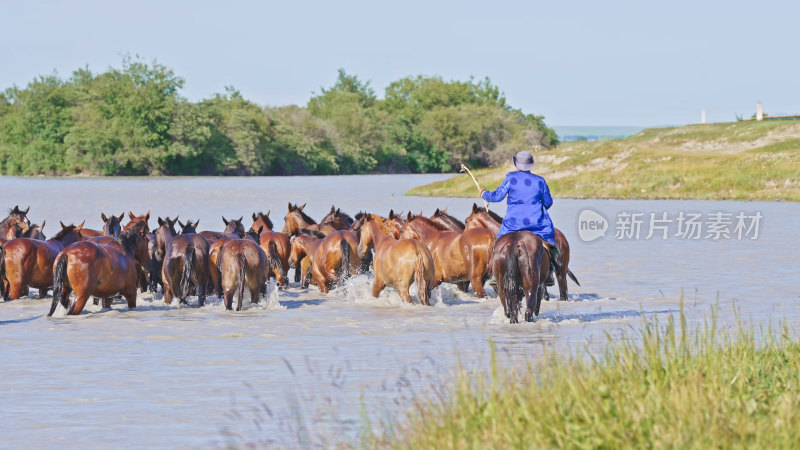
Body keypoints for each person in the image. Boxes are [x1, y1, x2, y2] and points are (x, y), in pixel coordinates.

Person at [479, 150, 560, 285]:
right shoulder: (540, 181)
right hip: (537, 224)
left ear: (516, 164)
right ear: (531, 165)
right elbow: (548, 202)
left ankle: (495, 273)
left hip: (513, 224)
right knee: (552, 244)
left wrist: (484, 194)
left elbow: (497, 197)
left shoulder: (511, 178)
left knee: (497, 244)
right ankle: (550, 272)